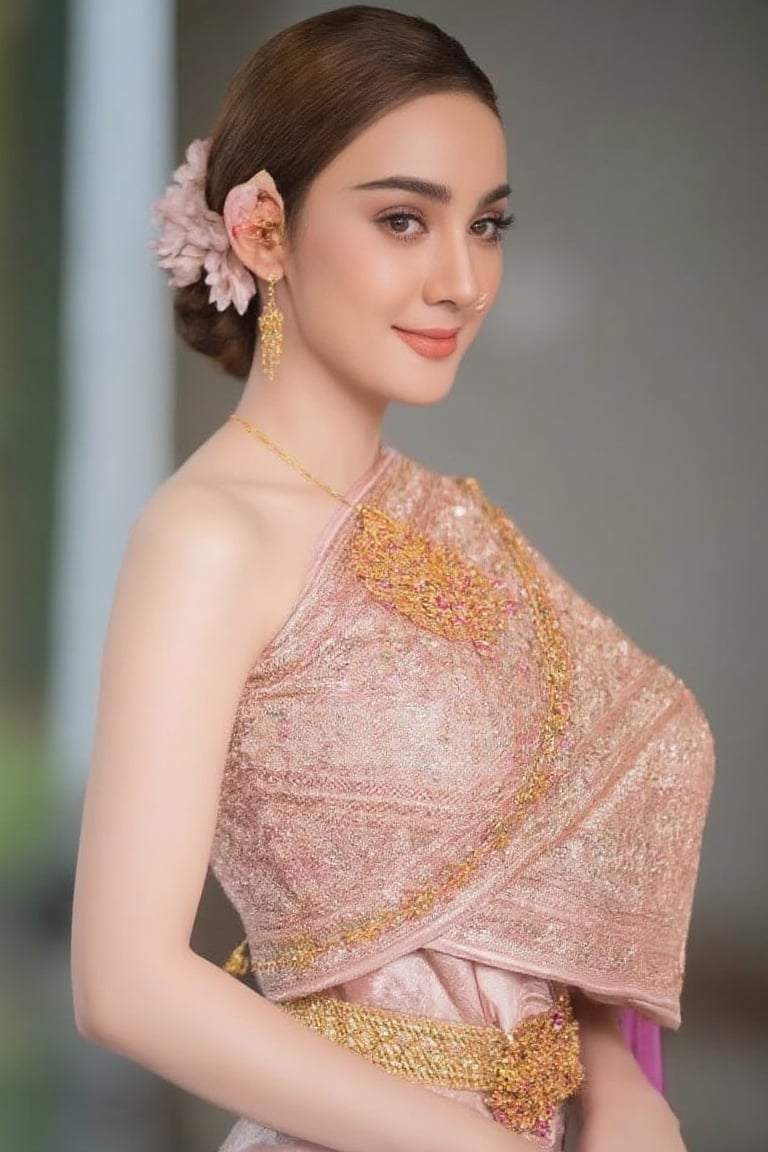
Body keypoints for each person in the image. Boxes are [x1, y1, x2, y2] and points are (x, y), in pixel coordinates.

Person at [69, 6, 715, 1152]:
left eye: (490, 224)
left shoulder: (457, 518)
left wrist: (618, 1085)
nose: (463, 279)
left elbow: (542, 889)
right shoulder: (208, 538)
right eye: (405, 219)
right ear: (264, 230)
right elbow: (124, 982)